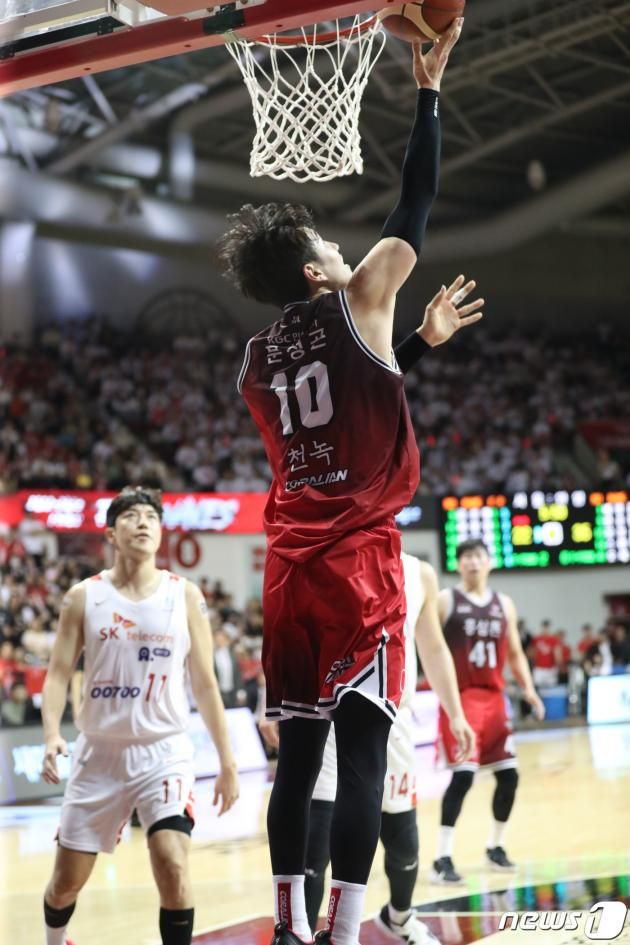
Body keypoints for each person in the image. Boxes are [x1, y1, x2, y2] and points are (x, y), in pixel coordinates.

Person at [218, 20, 480, 945]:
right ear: (312, 268)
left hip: (288, 568)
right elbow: (415, 203)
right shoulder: (362, 295)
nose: (343, 248)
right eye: (330, 243)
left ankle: (288, 921)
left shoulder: (253, 360)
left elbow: (342, 402)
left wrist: (415, 349)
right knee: (369, 754)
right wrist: (430, 91)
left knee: (299, 761)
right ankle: (349, 924)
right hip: (360, 564)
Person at [40, 486, 239, 945]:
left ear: (161, 531)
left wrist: (227, 762)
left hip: (163, 751)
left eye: (152, 515)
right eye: (132, 516)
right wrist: (52, 733)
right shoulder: (83, 597)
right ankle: (56, 939)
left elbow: (206, 685)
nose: (144, 522)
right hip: (99, 754)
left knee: (172, 863)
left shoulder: (184, 596)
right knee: (66, 882)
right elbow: (56, 676)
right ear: (111, 533)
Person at [299, 553, 475, 945]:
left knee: (403, 841)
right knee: (316, 846)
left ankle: (398, 918)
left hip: (393, 722)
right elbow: (294, 635)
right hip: (330, 720)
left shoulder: (419, 572)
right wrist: (272, 698)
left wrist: (456, 713)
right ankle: (304, 933)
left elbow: (434, 649)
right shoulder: (327, 558)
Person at [432, 539, 545, 884]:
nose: (473, 562)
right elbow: (430, 647)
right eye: (466, 557)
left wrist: (528, 689)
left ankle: (495, 847)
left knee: (509, 776)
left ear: (490, 562)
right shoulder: (445, 600)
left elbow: (514, 653)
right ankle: (442, 857)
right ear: (458, 565)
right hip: (462, 699)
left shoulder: (504, 605)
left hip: (495, 700)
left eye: (478, 556)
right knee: (463, 777)